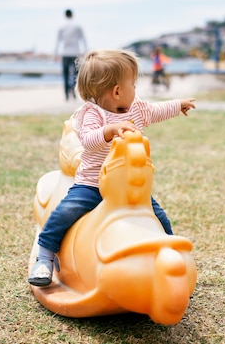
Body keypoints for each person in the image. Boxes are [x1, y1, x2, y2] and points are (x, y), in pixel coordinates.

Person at [28, 49, 196, 287]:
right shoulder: (92, 113)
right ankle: (44, 256)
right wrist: (109, 130)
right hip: (92, 185)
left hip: (126, 185)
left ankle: (171, 253)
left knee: (159, 217)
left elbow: (155, 110)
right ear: (117, 91)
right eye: (134, 84)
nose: (136, 89)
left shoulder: (136, 109)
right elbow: (87, 139)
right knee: (66, 212)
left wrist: (178, 105)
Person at [55, 9, 87, 100]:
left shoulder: (61, 27)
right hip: (75, 53)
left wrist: (55, 54)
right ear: (72, 15)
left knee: (65, 75)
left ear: (65, 15)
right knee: (75, 75)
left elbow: (58, 41)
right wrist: (86, 52)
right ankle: (73, 90)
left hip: (65, 53)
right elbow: (83, 40)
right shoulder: (77, 26)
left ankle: (66, 94)